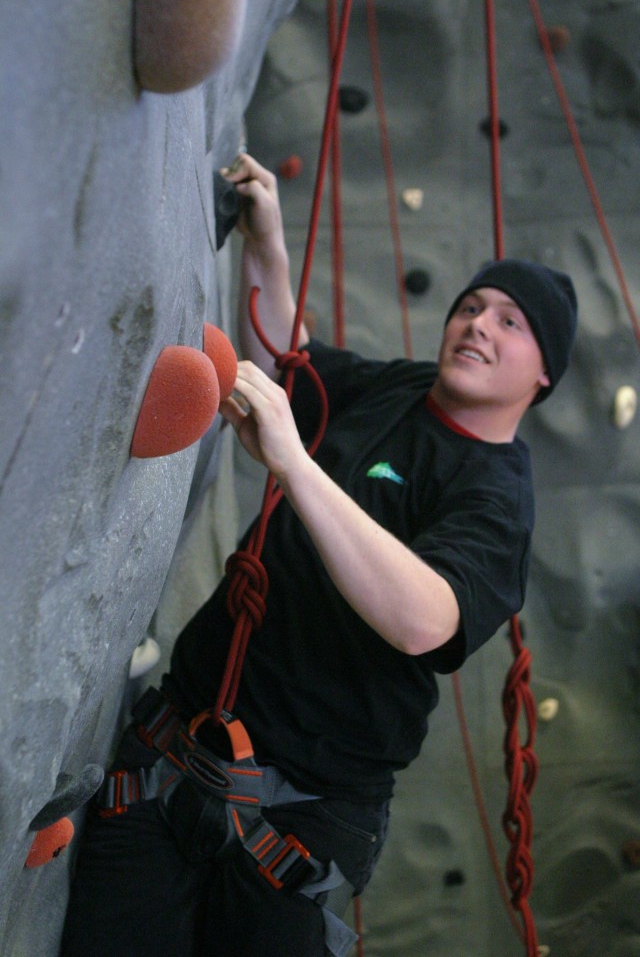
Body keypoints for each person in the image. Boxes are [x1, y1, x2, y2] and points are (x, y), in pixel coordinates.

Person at [60, 155, 577, 957]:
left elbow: (426, 622)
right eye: (471, 306)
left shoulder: (496, 494)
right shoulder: (404, 389)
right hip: (175, 750)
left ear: (544, 374)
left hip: (301, 811)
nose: (477, 324)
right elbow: (286, 368)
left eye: (511, 322)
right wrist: (266, 242)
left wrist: (296, 465)